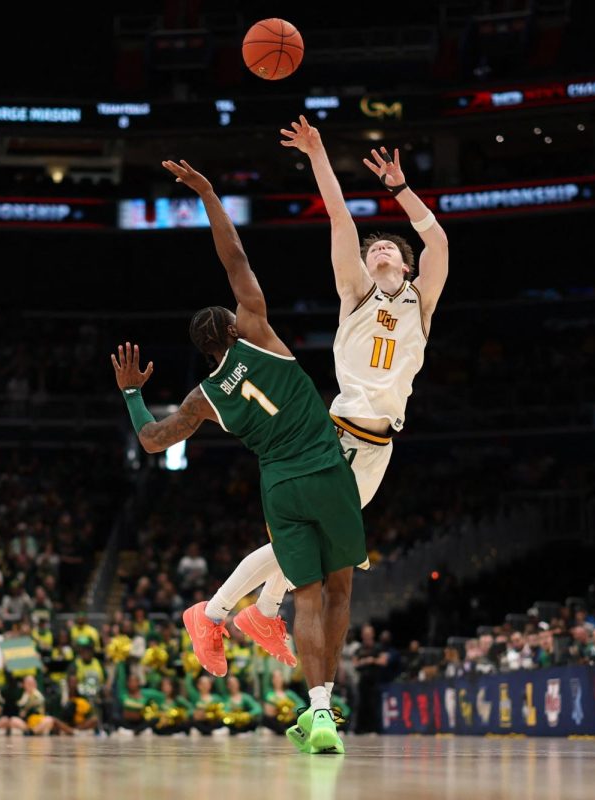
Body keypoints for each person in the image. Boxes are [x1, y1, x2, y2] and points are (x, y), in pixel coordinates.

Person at [194, 120, 450, 742]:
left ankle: (253, 612)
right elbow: (339, 217)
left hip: (381, 447)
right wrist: (317, 156)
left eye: (387, 249)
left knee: (317, 552)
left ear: (407, 265)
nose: (377, 251)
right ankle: (222, 611)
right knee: (305, 549)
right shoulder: (357, 294)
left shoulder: (422, 300)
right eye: (371, 250)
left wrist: (401, 188)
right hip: (333, 433)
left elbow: (436, 236)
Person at [115, 158, 368, 755]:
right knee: (338, 593)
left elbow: (152, 442)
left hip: (280, 488)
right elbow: (236, 260)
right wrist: (207, 192)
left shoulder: (203, 399)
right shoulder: (257, 331)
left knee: (303, 597)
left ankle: (317, 712)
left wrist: (131, 394)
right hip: (326, 471)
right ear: (231, 326)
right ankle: (322, 708)